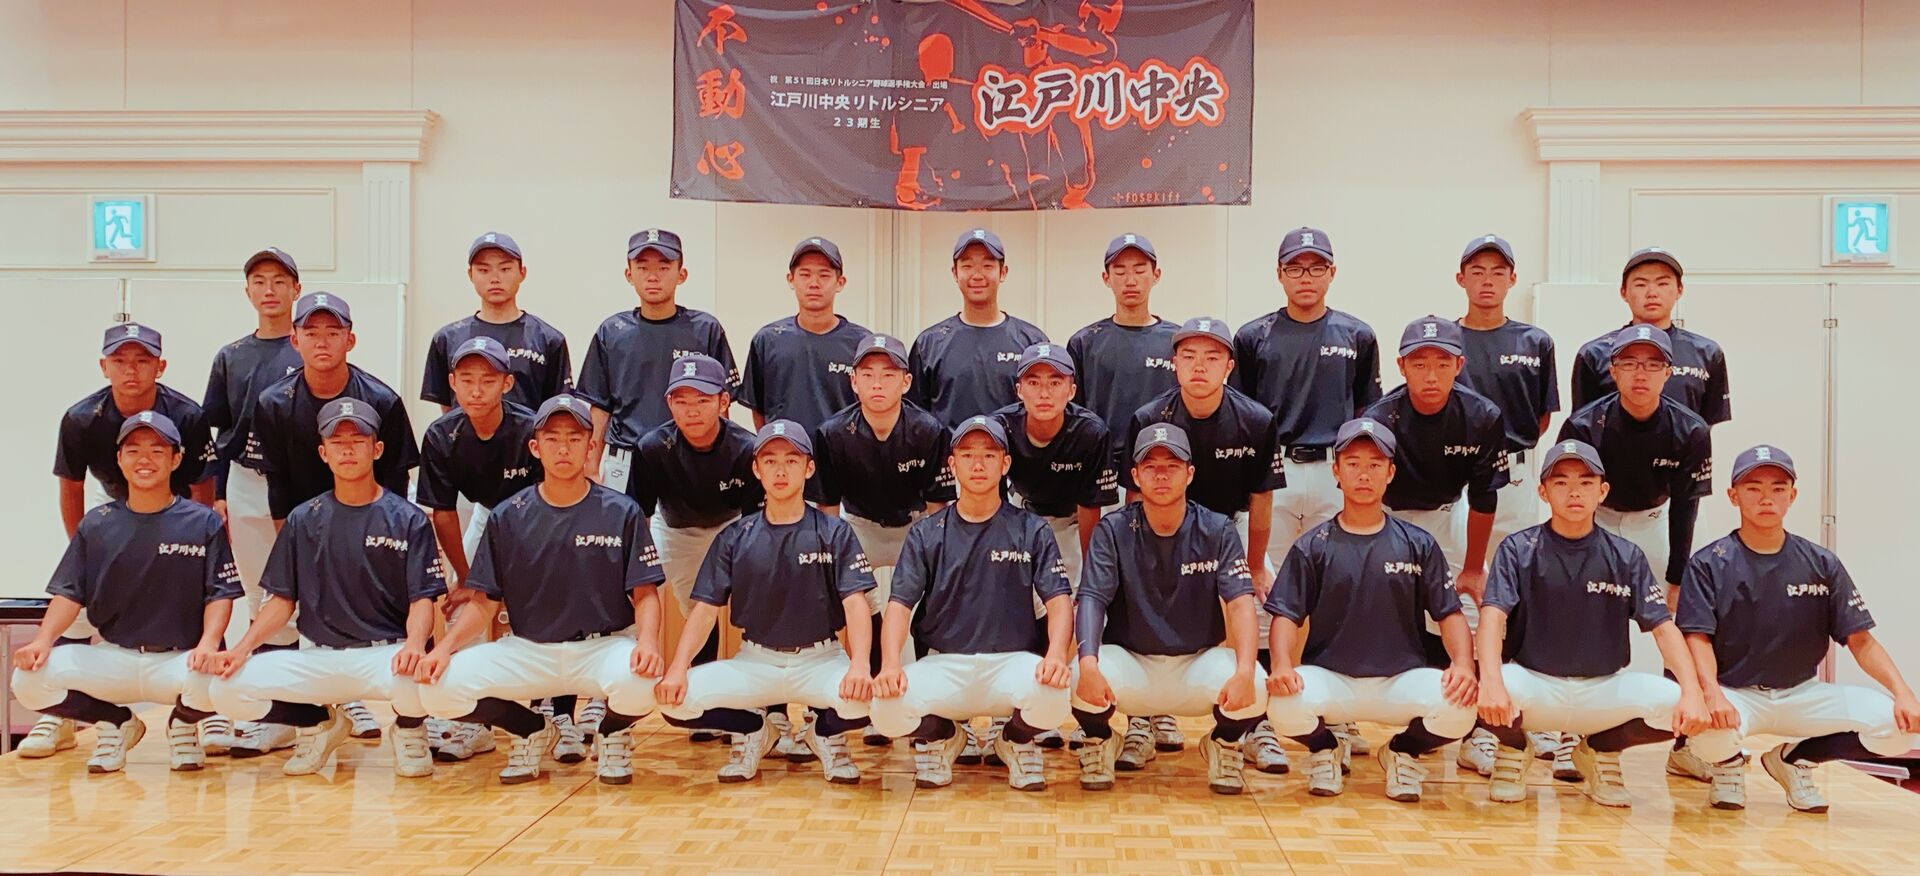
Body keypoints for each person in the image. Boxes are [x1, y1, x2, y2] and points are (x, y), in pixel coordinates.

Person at [415, 394, 666, 786]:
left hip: (599, 648)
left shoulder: (622, 512)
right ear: (535, 447)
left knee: (645, 681)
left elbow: (646, 593)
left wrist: (648, 642)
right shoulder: (507, 516)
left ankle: (612, 733)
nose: (563, 448)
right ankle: (530, 728)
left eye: (574, 438)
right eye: (552, 438)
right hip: (527, 650)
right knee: (436, 691)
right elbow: (483, 604)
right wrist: (444, 648)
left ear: (591, 447)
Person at [207, 398, 444, 778]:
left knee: (427, 679)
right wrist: (241, 648)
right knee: (224, 689)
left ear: (377, 449)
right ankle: (320, 723)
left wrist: (415, 645)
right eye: (337, 442)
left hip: (384, 655)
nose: (347, 450)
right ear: (323, 453)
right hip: (318, 656)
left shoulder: (408, 519)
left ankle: (408, 729)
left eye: (358, 440)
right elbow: (281, 602)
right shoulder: (303, 520)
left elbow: (422, 599)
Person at [1678, 445, 1920, 812]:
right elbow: (1697, 637)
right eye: (1753, 488)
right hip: (1736, 694)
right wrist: (1711, 693)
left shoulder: (1820, 562)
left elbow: (1861, 640)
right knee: (1710, 734)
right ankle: (1728, 766)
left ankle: (1794, 759)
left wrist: (1903, 692)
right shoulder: (1709, 563)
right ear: (1733, 496)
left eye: (1778, 488)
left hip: (1802, 693)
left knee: (1896, 727)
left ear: (1792, 496)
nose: (1766, 498)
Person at [1473, 439, 1711, 808]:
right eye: (1561, 482)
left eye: (1585, 482)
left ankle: (1600, 749)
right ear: (1543, 491)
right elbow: (1492, 617)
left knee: (1682, 706)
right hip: (1534, 684)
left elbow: (1664, 628)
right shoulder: (1518, 549)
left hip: (1603, 689)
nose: (1574, 492)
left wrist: (1693, 691)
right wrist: (1490, 682)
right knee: (1465, 693)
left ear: (1602, 492)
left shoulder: (1626, 556)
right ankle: (1515, 749)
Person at [29, 323, 218, 758]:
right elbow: (71, 486)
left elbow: (202, 487)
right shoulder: (82, 418)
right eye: (120, 361)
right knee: (78, 602)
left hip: (177, 505)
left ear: (160, 366)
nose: (131, 370)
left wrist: (198, 539)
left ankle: (202, 713)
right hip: (114, 499)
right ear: (104, 366)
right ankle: (61, 716)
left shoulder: (187, 415)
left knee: (198, 598)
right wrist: (85, 552)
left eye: (142, 361)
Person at [1265, 418, 1478, 802]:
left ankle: (1403, 751)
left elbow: (1449, 614)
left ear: (1390, 473)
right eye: (1353, 463)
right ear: (1336, 472)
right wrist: (1281, 664)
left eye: (1375, 464)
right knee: (1282, 705)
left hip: (1401, 680)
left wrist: (1463, 663)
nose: (1364, 474)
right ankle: (1326, 749)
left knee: (1461, 707)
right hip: (1331, 678)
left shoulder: (1418, 544)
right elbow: (1286, 616)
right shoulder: (1313, 546)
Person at [11, 412, 237, 773]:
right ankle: (116, 722)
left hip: (178, 660)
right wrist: (43, 640)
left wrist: (209, 643)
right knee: (28, 680)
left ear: (176, 459)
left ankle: (182, 724)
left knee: (226, 680)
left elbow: (220, 594)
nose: (145, 459)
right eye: (133, 451)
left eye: (157, 450)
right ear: (119, 459)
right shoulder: (97, 523)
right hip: (114, 658)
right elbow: (69, 593)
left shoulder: (202, 521)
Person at [655, 420, 878, 784]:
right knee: (674, 702)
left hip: (821, 659)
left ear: (809, 468)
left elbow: (856, 605)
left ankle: (823, 733)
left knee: (877, 702)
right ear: (756, 469)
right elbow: (705, 611)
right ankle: (755, 729)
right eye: (770, 461)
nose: (780, 470)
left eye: (791, 460)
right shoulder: (735, 537)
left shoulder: (834, 532)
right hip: (754, 661)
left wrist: (861, 665)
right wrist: (678, 666)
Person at [1232, 227, 1383, 759]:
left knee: (1336, 589)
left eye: (1316, 267)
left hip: (1334, 472)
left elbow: (1366, 413)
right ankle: (1260, 720)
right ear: (1279, 274)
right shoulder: (1253, 337)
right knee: (1266, 592)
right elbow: (1242, 414)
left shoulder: (1357, 334)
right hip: (1272, 475)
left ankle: (1335, 712)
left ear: (1332, 273)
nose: (1306, 277)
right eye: (1295, 268)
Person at [867, 416, 1075, 791]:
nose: (978, 464)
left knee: (1057, 695)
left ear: (1005, 464)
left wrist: (1057, 655)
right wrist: (891, 663)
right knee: (885, 710)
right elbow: (899, 605)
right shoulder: (926, 533)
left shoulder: (1031, 529)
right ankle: (946, 735)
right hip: (944, 664)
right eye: (967, 455)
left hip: (1011, 662)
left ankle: (1013, 739)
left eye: (989, 455)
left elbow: (1059, 600)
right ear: (952, 464)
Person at [249, 291, 419, 748]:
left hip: (372, 520)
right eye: (311, 332)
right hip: (307, 524)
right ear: (294, 340)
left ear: (351, 339)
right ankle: (311, 712)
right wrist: (293, 548)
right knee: (293, 609)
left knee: (373, 609)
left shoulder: (382, 399)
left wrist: (383, 544)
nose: (322, 342)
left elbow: (396, 481)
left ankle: (394, 715)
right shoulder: (273, 402)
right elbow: (277, 483)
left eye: (333, 332)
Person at [1121, 317, 1288, 773]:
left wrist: (1256, 566)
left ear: (1229, 366)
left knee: (1265, 606)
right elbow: (1134, 497)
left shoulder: (1256, 420)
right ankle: (1143, 719)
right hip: (1160, 529)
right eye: (1189, 357)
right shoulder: (1148, 418)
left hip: (1229, 527)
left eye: (1212, 358)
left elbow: (1262, 499)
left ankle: (1254, 723)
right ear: (1173, 363)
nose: (1199, 367)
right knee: (1137, 604)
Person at [1071, 423, 1267, 795]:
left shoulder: (1217, 529)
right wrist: (1090, 664)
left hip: (1196, 663)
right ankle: (1101, 740)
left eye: (1172, 466)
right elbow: (1092, 598)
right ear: (1135, 476)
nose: (1161, 475)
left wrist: (1243, 669)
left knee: (1255, 680)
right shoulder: (1113, 530)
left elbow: (1241, 603)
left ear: (1190, 473)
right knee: (1078, 675)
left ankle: (1223, 743)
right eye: (1151, 466)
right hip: (1132, 662)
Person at [1451, 234, 1565, 777]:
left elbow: (1541, 418)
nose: (1488, 280)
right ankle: (1471, 724)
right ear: (1461, 279)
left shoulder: (1535, 341)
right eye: (1477, 271)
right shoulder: (1444, 338)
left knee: (1515, 593)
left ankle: (1519, 712)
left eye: (1498, 271)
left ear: (1513, 279)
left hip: (1516, 477)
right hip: (1456, 480)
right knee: (1464, 597)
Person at [626, 353, 778, 756]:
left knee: (754, 602)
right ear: (669, 403)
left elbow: (755, 521)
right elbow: (639, 516)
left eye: (702, 400)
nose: (691, 410)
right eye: (681, 401)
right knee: (695, 607)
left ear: (723, 402)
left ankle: (767, 701)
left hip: (733, 526)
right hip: (675, 530)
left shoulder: (746, 448)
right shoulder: (651, 447)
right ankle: (706, 698)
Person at [810, 333, 954, 745]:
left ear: (906, 382)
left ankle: (929, 705)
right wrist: (832, 562)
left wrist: (936, 562)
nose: (878, 384)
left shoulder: (928, 430)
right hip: (858, 525)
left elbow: (938, 508)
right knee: (857, 599)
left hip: (914, 525)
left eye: (888, 375)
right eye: (868, 374)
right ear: (853, 381)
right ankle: (870, 698)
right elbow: (827, 509)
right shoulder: (832, 433)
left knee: (932, 599)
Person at [195, 247, 307, 756]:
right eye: (260, 281)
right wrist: (219, 494)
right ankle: (275, 710)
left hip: (304, 481)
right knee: (263, 591)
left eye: (280, 281)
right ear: (248, 291)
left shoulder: (310, 348)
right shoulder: (231, 356)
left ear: (296, 289)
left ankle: (333, 698)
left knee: (316, 586)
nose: (270, 290)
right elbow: (218, 430)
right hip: (245, 479)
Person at [417, 337, 541, 762]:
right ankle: (475, 722)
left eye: (487, 380)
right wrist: (469, 577)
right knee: (463, 606)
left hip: (536, 520)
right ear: (451, 383)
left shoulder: (529, 429)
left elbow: (547, 502)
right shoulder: (442, 434)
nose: (476, 390)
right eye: (466, 380)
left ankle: (551, 710)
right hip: (487, 513)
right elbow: (443, 513)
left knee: (538, 607)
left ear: (507, 383)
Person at [1556, 326, 1712, 610]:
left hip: (1655, 521)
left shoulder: (1691, 430)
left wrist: (1677, 578)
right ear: (1613, 371)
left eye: (1653, 365)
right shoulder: (1583, 426)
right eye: (1629, 364)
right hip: (1597, 520)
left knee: (1660, 615)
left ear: (1668, 373)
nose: (1641, 374)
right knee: (1586, 611)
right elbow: (1566, 494)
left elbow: (1685, 505)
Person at [577, 228, 738, 492]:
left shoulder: (705, 329)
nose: (653, 277)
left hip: (689, 460)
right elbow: (600, 405)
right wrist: (591, 467)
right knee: (624, 519)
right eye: (642, 268)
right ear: (629, 274)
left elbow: (721, 405)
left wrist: (719, 462)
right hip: (625, 459)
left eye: (664, 267)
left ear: (681, 274)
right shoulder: (612, 331)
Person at [1569, 247, 1730, 425]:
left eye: (1662, 283)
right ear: (1623, 292)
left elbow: (1706, 424)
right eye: (1641, 284)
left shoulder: (1707, 352)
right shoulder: (1595, 353)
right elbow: (1583, 422)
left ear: (1679, 290)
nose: (1652, 293)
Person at [907, 228, 1048, 428]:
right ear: (955, 273)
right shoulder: (929, 344)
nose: (977, 275)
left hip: (1011, 449)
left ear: (1003, 272)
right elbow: (915, 417)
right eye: (967, 266)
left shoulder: (1031, 342)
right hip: (950, 449)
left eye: (987, 266)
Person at [419, 232, 571, 413]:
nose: (495, 279)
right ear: (470, 274)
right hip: (467, 433)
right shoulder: (447, 339)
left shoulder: (548, 339)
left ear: (522, 273)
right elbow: (448, 411)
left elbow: (557, 409)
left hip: (528, 432)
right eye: (484, 270)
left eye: (505, 269)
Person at [1066, 233, 1178, 478]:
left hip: (1162, 466)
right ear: (1106, 278)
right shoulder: (1084, 342)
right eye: (1120, 271)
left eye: (1139, 270)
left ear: (1156, 275)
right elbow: (1072, 415)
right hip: (1100, 466)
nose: (1130, 280)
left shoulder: (1178, 342)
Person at [736, 236, 870, 430]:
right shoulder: (767, 340)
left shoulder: (862, 343)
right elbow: (758, 408)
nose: (814, 283)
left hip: (843, 449)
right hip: (786, 448)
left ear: (840, 282)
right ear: (790, 279)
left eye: (824, 275)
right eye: (805, 274)